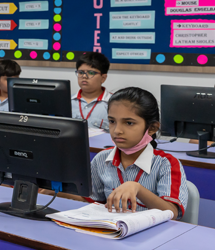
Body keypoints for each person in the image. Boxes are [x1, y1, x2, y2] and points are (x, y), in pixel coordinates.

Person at [88, 87, 188, 219]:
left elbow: (172, 212)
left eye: (129, 123)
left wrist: (138, 189)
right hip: (112, 228)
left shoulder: (166, 164)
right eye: (112, 121)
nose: (117, 130)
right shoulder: (101, 159)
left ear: (152, 128)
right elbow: (91, 202)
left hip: (152, 230)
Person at [72, 52, 112, 130]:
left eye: (91, 73)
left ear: (103, 78)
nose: (84, 76)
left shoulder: (114, 103)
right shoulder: (67, 101)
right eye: (81, 72)